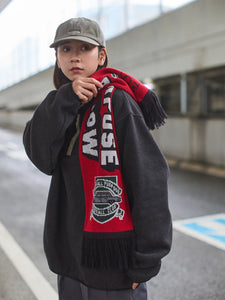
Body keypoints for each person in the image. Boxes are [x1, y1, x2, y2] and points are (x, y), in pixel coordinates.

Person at [23, 17, 172, 300]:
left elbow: (149, 178)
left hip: (113, 262)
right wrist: (66, 98)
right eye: (65, 49)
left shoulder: (118, 101)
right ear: (56, 56)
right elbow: (41, 157)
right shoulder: (60, 104)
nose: (74, 56)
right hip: (70, 260)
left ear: (101, 55)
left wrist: (145, 260)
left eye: (84, 48)